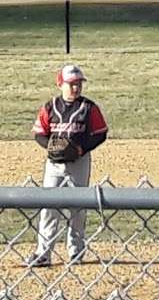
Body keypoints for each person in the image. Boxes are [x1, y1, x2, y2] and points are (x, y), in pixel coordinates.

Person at [29, 64, 109, 267]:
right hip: (54, 165)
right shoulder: (50, 106)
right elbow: (39, 133)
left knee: (78, 207)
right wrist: (50, 148)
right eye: (72, 84)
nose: (76, 88)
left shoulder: (89, 108)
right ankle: (43, 253)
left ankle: (76, 252)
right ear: (60, 84)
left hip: (78, 163)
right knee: (49, 207)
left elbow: (100, 134)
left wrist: (81, 149)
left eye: (79, 84)